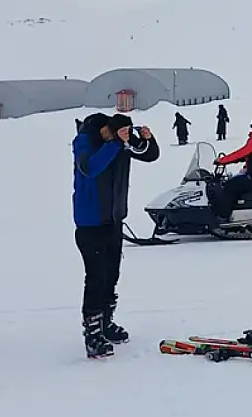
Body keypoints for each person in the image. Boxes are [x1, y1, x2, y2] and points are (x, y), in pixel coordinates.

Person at [72, 112, 159, 358]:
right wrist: (114, 143)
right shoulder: (85, 143)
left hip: (113, 220)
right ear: (105, 130)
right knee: (96, 276)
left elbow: (150, 155)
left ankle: (106, 324)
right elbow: (90, 168)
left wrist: (147, 140)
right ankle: (92, 334)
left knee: (111, 274)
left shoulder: (118, 145)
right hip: (90, 223)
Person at [214, 116, 252, 219]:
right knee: (236, 180)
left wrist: (222, 160)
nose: (251, 128)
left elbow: (240, 153)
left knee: (230, 185)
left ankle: (223, 215)